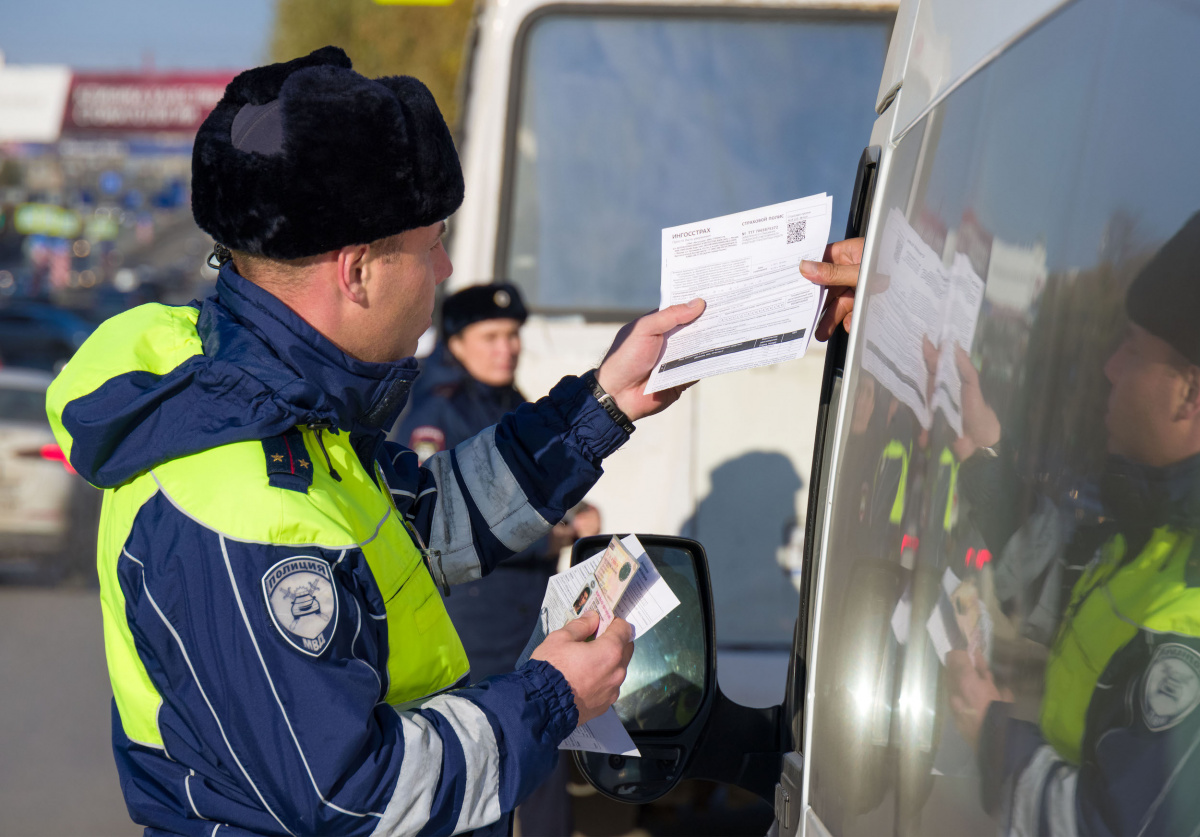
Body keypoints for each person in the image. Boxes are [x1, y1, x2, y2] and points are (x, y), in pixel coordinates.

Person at [43, 47, 709, 837]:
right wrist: (551, 695)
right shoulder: (237, 500)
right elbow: (355, 796)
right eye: (429, 243)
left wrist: (601, 404)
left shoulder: (273, 409)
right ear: (357, 271)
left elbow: (428, 521)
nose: (446, 265)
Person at [937, 213, 1200, 834]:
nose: (1109, 367)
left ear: (1188, 394)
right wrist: (984, 457)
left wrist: (993, 736)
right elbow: (1066, 586)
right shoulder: (1159, 539)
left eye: (1132, 347)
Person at [397, 282, 600, 835]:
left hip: (525, 618)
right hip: (470, 625)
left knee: (539, 759)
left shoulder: (513, 405)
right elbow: (432, 518)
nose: (506, 348)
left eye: (513, 336)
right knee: (481, 770)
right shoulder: (437, 411)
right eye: (490, 336)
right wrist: (551, 536)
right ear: (456, 343)